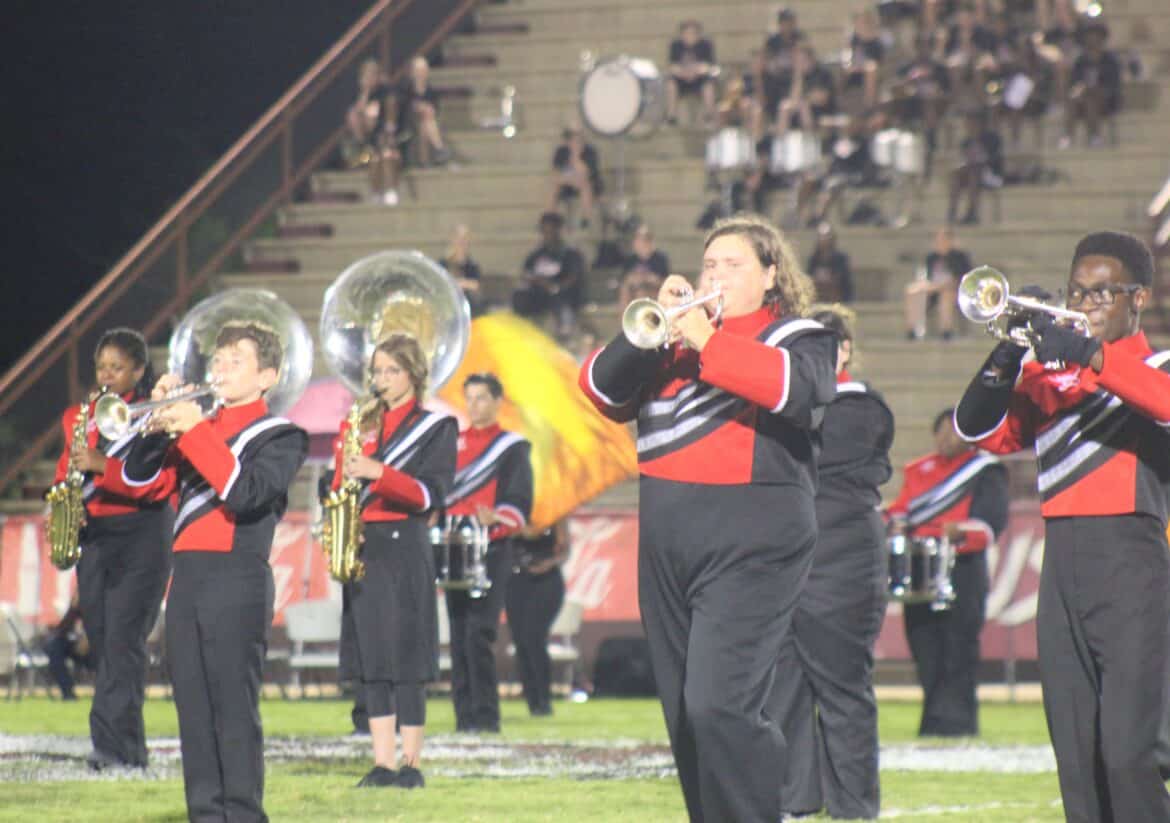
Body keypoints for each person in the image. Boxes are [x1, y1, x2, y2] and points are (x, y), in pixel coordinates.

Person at [579, 214, 837, 822]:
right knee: (684, 712)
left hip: (753, 538)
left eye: (734, 265)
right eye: (709, 265)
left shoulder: (799, 334)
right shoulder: (668, 342)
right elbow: (597, 389)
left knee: (719, 704)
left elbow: (798, 392)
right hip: (667, 542)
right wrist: (649, 333)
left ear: (771, 274)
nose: (716, 275)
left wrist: (706, 341)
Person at [954, 231, 1170, 819]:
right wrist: (1007, 354)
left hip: (1132, 562)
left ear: (1139, 299)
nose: (1085, 304)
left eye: (1102, 293)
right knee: (1075, 754)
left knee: (1130, 754)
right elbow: (978, 430)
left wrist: (1091, 356)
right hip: (1061, 568)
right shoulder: (1051, 382)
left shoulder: (1155, 366)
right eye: (1077, 292)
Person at [101, 321, 309, 820]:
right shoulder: (197, 426)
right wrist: (156, 421)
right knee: (192, 710)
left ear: (267, 377)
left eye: (236, 360)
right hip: (187, 579)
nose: (221, 368)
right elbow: (135, 478)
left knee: (232, 709)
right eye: (218, 359)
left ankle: (243, 814)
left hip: (237, 577)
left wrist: (193, 428)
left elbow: (244, 493)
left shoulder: (281, 436)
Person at [769, 304, 894, 820]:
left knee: (842, 691)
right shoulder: (787, 408)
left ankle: (854, 810)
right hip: (783, 561)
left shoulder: (862, 406)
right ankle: (796, 805)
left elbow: (815, 450)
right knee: (783, 691)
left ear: (843, 351)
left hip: (842, 561)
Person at [327, 333, 457, 788]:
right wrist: (339, 492)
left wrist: (378, 473)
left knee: (407, 657)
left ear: (414, 375)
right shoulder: (360, 425)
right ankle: (382, 763)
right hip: (365, 544)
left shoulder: (437, 427)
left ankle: (411, 764)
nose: (381, 380)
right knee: (373, 658)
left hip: (406, 544)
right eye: (377, 371)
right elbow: (338, 485)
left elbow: (431, 494)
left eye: (392, 371)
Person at [57, 327, 172, 769]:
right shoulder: (80, 417)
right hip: (96, 536)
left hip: (142, 533)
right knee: (104, 640)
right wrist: (64, 505)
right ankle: (126, 747)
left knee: (125, 639)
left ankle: (110, 747)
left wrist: (102, 464)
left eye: (117, 367)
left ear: (139, 371)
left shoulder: (153, 417)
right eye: (102, 366)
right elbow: (66, 471)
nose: (106, 375)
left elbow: (155, 483)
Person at [887, 408, 1008, 737]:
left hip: (962, 569)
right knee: (924, 647)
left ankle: (959, 724)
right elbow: (900, 510)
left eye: (952, 432)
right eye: (940, 431)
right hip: (918, 570)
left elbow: (991, 526)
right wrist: (892, 522)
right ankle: (932, 723)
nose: (945, 438)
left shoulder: (986, 470)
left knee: (959, 648)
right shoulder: (918, 469)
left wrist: (960, 531)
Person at [443, 372, 533, 733]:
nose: (474, 405)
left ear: (498, 402)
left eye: (482, 397)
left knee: (479, 634)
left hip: (491, 547)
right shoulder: (452, 443)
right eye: (470, 398)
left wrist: (497, 516)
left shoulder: (511, 447)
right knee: (457, 633)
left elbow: (520, 499)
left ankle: (486, 718)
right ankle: (464, 719)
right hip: (453, 546)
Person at [506, 519, 570, 717]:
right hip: (517, 580)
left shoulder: (555, 515)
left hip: (546, 581)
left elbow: (564, 550)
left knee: (534, 637)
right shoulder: (514, 512)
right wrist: (522, 530)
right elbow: (506, 534)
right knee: (520, 640)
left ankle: (544, 699)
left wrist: (548, 563)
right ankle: (532, 700)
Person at [512, 212, 587, 339]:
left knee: (560, 297)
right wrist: (537, 282)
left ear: (558, 231)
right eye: (544, 231)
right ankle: (519, 330)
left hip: (562, 293)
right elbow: (526, 274)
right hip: (540, 293)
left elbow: (574, 277)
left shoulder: (570, 254)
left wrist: (555, 287)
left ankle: (565, 327)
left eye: (551, 230)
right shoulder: (536, 255)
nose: (548, 235)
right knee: (519, 295)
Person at [344, 58, 402, 206]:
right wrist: (365, 93)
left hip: (388, 137)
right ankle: (376, 193)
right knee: (372, 158)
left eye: (373, 74)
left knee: (387, 155)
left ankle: (391, 191)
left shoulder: (386, 92)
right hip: (368, 142)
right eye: (367, 75)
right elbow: (357, 117)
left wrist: (389, 133)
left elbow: (391, 115)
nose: (370, 78)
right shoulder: (360, 96)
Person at [904, 226, 973, 341]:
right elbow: (928, 278)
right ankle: (912, 330)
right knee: (912, 291)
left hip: (956, 292)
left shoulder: (960, 257)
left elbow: (961, 280)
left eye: (943, 240)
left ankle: (946, 331)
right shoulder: (931, 257)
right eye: (938, 240)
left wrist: (938, 286)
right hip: (934, 290)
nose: (940, 243)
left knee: (946, 295)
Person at [1061, 20, 1122, 149]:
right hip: (1084, 96)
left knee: (1091, 102)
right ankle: (1067, 137)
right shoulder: (1081, 60)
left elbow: (1113, 85)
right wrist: (1079, 92)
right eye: (1090, 35)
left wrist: (1099, 91)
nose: (1092, 39)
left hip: (1106, 99)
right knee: (1073, 102)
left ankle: (1095, 137)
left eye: (1096, 35)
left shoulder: (1110, 60)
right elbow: (1075, 83)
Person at [947, 107, 1004, 225]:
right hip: (971, 173)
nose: (969, 125)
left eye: (972, 122)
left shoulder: (992, 138)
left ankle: (972, 213)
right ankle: (952, 212)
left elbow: (994, 159)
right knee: (957, 176)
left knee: (974, 173)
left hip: (992, 175)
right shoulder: (965, 142)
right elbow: (964, 160)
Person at [547, 125, 602, 228]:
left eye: (577, 138)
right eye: (571, 138)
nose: (574, 141)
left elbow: (586, 173)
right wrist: (568, 180)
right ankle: (549, 218)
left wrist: (575, 157)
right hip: (567, 183)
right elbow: (556, 172)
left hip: (588, 183)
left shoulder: (590, 151)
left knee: (585, 185)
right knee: (554, 186)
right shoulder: (561, 151)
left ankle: (586, 218)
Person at [398, 56, 449, 167]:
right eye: (419, 70)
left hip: (425, 122)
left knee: (424, 125)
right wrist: (417, 107)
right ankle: (439, 148)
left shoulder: (431, 91)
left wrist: (427, 109)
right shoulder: (406, 88)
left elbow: (435, 109)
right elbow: (403, 107)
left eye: (424, 70)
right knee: (425, 118)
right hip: (408, 123)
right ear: (413, 72)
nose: (422, 73)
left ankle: (425, 162)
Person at [666, 20, 718, 126]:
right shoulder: (676, 45)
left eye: (693, 33)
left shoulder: (705, 45)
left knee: (708, 85)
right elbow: (672, 66)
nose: (689, 36)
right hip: (681, 78)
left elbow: (709, 66)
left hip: (699, 78)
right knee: (670, 84)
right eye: (686, 33)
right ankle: (671, 115)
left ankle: (709, 115)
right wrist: (683, 73)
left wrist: (695, 72)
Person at [42, 593, 93, 701]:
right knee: (54, 648)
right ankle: (68, 692)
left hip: (100, 644)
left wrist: (88, 638)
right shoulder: (78, 602)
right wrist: (74, 607)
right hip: (77, 645)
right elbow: (64, 628)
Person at [618, 223, 671, 306]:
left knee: (642, 293)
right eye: (637, 240)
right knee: (626, 290)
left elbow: (665, 282)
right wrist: (633, 279)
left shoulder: (660, 259)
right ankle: (625, 313)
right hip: (635, 290)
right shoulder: (630, 260)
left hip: (654, 290)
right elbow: (624, 280)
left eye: (642, 240)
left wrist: (650, 279)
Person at [442, 224, 485, 317]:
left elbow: (475, 285)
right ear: (452, 240)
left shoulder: (472, 265)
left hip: (468, 309)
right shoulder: (443, 263)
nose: (461, 242)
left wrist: (457, 283)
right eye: (458, 238)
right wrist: (463, 283)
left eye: (464, 239)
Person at [806, 223, 854, 303]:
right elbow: (809, 278)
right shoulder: (814, 259)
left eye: (825, 236)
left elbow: (843, 280)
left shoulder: (841, 258)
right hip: (818, 298)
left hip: (839, 299)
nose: (823, 239)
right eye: (820, 236)